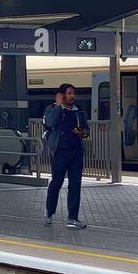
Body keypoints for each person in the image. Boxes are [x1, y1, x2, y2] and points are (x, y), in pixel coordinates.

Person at [44, 83, 89, 229]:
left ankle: (73, 218)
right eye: (69, 93)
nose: (72, 96)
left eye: (73, 93)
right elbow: (50, 123)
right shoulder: (52, 109)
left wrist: (82, 133)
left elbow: (86, 130)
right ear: (62, 95)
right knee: (56, 183)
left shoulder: (79, 110)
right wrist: (58, 105)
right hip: (60, 151)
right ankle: (49, 213)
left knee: (75, 185)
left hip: (76, 152)